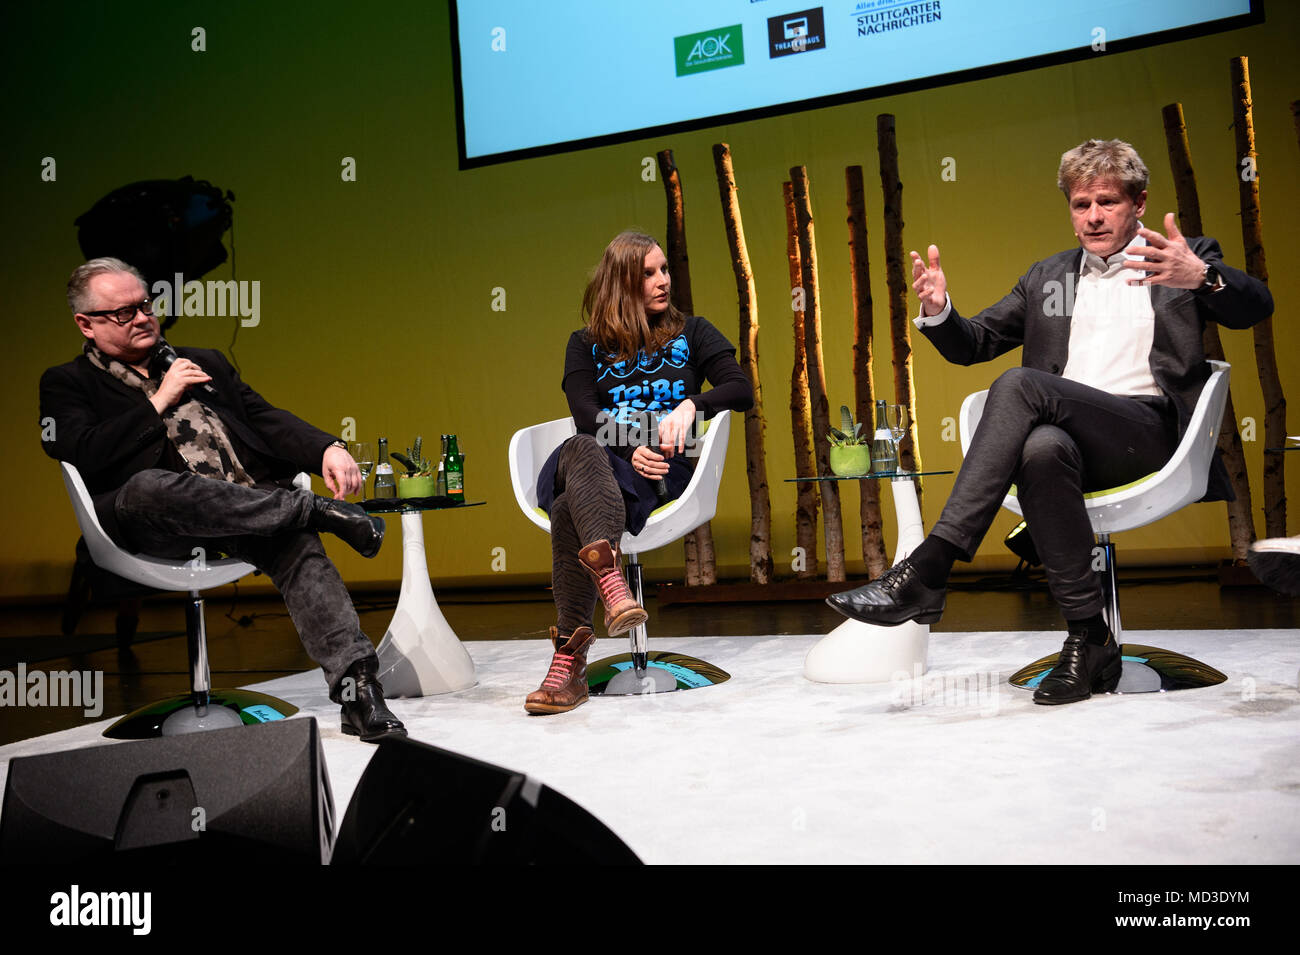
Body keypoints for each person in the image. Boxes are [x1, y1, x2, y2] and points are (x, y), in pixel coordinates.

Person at [827, 139, 1273, 705]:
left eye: (1106, 202)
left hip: (1151, 436)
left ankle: (930, 567)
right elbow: (975, 343)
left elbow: (1258, 307)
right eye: (1080, 203)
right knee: (1040, 449)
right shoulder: (1049, 277)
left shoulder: (1177, 258)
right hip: (1071, 438)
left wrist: (1202, 275)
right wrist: (939, 311)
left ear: (1138, 202)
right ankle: (1088, 639)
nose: (1092, 216)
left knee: (1019, 386)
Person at [40, 257, 406, 741]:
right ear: (85, 324)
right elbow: (80, 450)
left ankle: (359, 691)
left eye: (145, 305)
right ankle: (313, 510)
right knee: (149, 487)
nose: (143, 318)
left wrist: (326, 448)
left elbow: (264, 418)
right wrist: (158, 400)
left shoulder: (203, 362)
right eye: (123, 313)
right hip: (155, 521)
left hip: (242, 510)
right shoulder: (67, 382)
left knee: (296, 545)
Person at [524, 231, 754, 715]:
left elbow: (740, 389)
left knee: (570, 506)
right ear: (621, 283)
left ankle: (569, 663)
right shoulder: (584, 345)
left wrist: (694, 404)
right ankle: (611, 582)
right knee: (583, 446)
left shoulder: (693, 333)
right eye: (648, 273)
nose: (662, 281)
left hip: (661, 472)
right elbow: (585, 413)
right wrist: (630, 449)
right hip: (604, 458)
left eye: (664, 270)